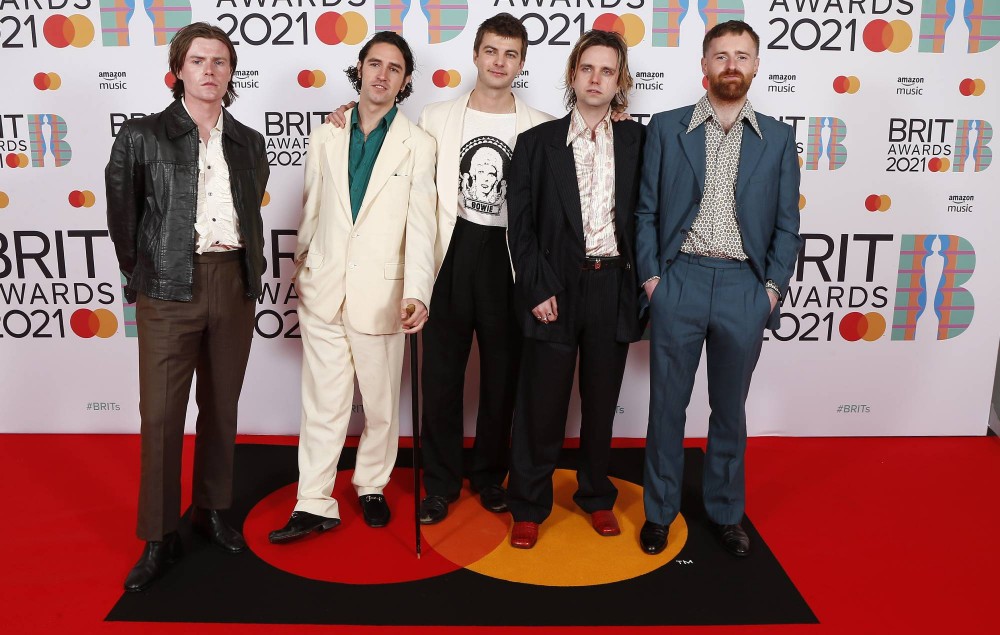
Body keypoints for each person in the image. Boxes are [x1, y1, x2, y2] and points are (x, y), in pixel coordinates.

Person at [105, 22, 269, 592]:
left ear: (230, 72)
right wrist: (142, 277)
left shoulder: (249, 140)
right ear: (179, 69)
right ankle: (158, 536)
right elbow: (122, 218)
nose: (209, 70)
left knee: (222, 408)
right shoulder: (141, 136)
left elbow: (251, 213)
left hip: (234, 282)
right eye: (198, 60)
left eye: (220, 61)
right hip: (167, 289)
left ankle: (212, 510)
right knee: (161, 417)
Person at [634, 20, 802, 557]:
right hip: (678, 280)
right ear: (703, 66)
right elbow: (645, 211)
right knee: (666, 407)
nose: (732, 65)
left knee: (730, 409)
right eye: (721, 56)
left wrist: (770, 289)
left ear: (755, 66)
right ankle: (659, 513)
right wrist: (653, 279)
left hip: (743, 287)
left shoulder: (778, 138)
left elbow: (785, 226)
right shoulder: (666, 127)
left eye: (742, 56)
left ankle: (727, 513)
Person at [268, 31, 436, 544]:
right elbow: (312, 207)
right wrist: (303, 264)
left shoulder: (419, 144)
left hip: (385, 297)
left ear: (406, 82)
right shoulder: (327, 134)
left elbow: (423, 226)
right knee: (323, 403)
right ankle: (313, 501)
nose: (382, 75)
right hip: (324, 291)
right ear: (359, 69)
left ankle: (371, 485)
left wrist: (419, 291)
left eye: (394, 68)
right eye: (374, 64)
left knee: (382, 406)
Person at [505, 30, 644, 549]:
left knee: (602, 402)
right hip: (554, 288)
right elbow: (521, 227)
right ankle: (528, 502)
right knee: (541, 402)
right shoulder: (536, 144)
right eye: (587, 68)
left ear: (620, 82)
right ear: (572, 74)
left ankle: (595, 495)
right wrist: (537, 287)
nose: (596, 78)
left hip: (613, 287)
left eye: (607, 71)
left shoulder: (639, 141)